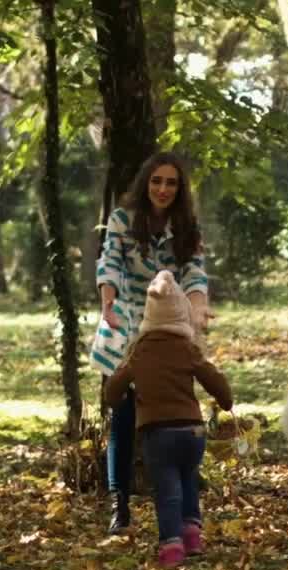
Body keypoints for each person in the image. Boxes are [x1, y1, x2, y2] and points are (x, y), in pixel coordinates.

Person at [92, 152, 212, 534]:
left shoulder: (187, 226)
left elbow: (194, 273)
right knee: (123, 418)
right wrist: (107, 302)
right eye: (157, 181)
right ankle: (118, 504)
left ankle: (182, 511)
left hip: (168, 329)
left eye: (171, 183)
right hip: (126, 322)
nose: (163, 189)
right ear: (146, 183)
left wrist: (198, 310)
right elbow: (109, 263)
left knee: (175, 414)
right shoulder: (122, 220)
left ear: (180, 190)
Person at [104, 270, 233, 568]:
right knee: (188, 480)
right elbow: (212, 377)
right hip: (192, 432)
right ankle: (192, 537)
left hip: (157, 434)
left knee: (167, 490)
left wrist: (116, 399)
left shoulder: (139, 351)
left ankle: (172, 546)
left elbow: (115, 386)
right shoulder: (187, 349)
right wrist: (226, 401)